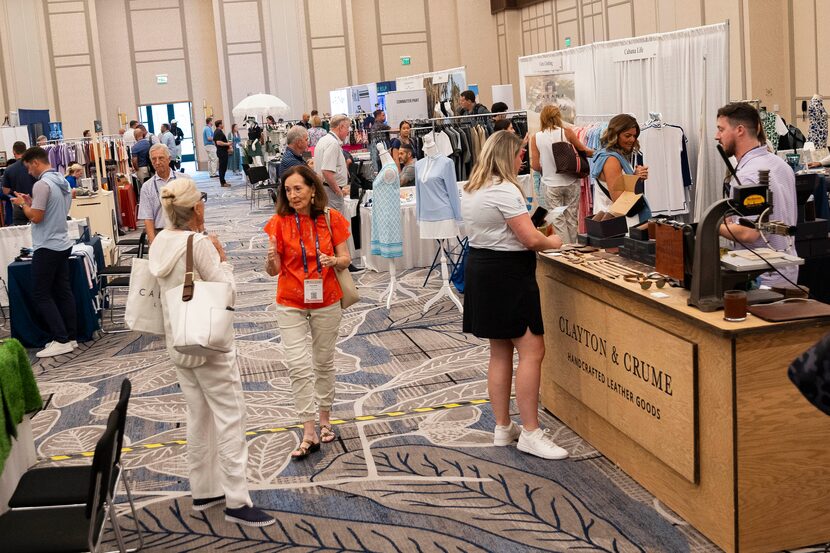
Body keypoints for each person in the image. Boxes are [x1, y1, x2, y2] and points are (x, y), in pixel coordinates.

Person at [148, 176, 275, 528]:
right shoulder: (197, 243)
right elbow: (227, 292)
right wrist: (224, 258)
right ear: (196, 208)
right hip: (208, 343)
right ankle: (237, 499)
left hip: (178, 340)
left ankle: (204, 489)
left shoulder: (159, 242)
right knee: (230, 415)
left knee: (198, 416)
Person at [461, 131, 569, 460]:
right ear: (506, 156)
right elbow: (530, 240)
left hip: (482, 268)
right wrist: (555, 241)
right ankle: (531, 432)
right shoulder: (505, 190)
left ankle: (503, 427)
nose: (523, 158)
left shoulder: (471, 188)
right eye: (519, 153)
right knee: (532, 350)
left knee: (500, 351)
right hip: (508, 273)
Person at [263, 165, 351, 459]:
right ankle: (309, 430)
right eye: (288, 190)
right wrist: (271, 259)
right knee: (298, 365)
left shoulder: (332, 219)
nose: (293, 195)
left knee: (323, 362)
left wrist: (333, 261)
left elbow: (345, 259)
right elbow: (273, 271)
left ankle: (325, 419)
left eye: (298, 188)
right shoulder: (278, 223)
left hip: (326, 298)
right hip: (290, 301)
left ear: (313, 189)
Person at [715, 102, 798, 287]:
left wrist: (715, 224)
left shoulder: (747, 175)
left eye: (721, 129)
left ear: (740, 130)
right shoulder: (781, 165)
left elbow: (748, 233)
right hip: (787, 272)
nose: (717, 136)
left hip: (764, 278)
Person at [12, 147, 77, 358]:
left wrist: (23, 205)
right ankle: (70, 336)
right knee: (63, 290)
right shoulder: (62, 180)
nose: (28, 172)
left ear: (35, 163)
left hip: (47, 245)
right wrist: (31, 203)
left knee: (41, 293)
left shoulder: (41, 184)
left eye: (28, 167)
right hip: (62, 241)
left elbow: (37, 218)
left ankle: (61, 339)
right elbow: (50, 210)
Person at [531, 104, 593, 244]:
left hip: (551, 184)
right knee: (571, 217)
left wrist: (547, 168)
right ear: (558, 116)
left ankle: (564, 251)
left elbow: (535, 165)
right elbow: (584, 151)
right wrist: (599, 151)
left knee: (558, 219)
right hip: (570, 182)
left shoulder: (536, 137)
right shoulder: (567, 132)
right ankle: (573, 248)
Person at [590, 114, 649, 217]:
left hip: (614, 221)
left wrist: (635, 176)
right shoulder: (612, 160)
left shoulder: (614, 155)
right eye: (627, 136)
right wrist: (635, 178)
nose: (632, 140)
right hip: (617, 224)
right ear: (615, 135)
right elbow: (620, 202)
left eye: (634, 136)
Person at [139, 144, 179, 244]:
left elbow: (195, 209)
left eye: (161, 158)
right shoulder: (147, 187)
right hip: (160, 233)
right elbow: (148, 218)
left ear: (169, 159)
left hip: (183, 231)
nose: (157, 162)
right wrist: (153, 243)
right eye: (154, 159)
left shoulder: (184, 179)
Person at [312, 114, 350, 215]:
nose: (348, 132)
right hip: (331, 192)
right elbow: (326, 171)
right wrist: (338, 191)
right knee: (335, 224)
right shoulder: (332, 143)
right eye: (347, 128)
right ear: (341, 127)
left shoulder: (324, 140)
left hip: (325, 189)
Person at [2, 141, 37, 225]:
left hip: (19, 205)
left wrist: (14, 192)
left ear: (14, 152)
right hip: (36, 203)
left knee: (21, 234)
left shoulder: (9, 170)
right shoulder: (34, 166)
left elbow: (5, 191)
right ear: (26, 150)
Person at [213, 119, 231, 187]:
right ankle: (223, 182)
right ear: (220, 125)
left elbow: (215, 142)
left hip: (221, 151)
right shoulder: (218, 132)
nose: (223, 125)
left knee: (223, 167)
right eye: (222, 123)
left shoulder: (217, 131)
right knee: (222, 168)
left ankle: (223, 181)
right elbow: (218, 142)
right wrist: (227, 144)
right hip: (222, 152)